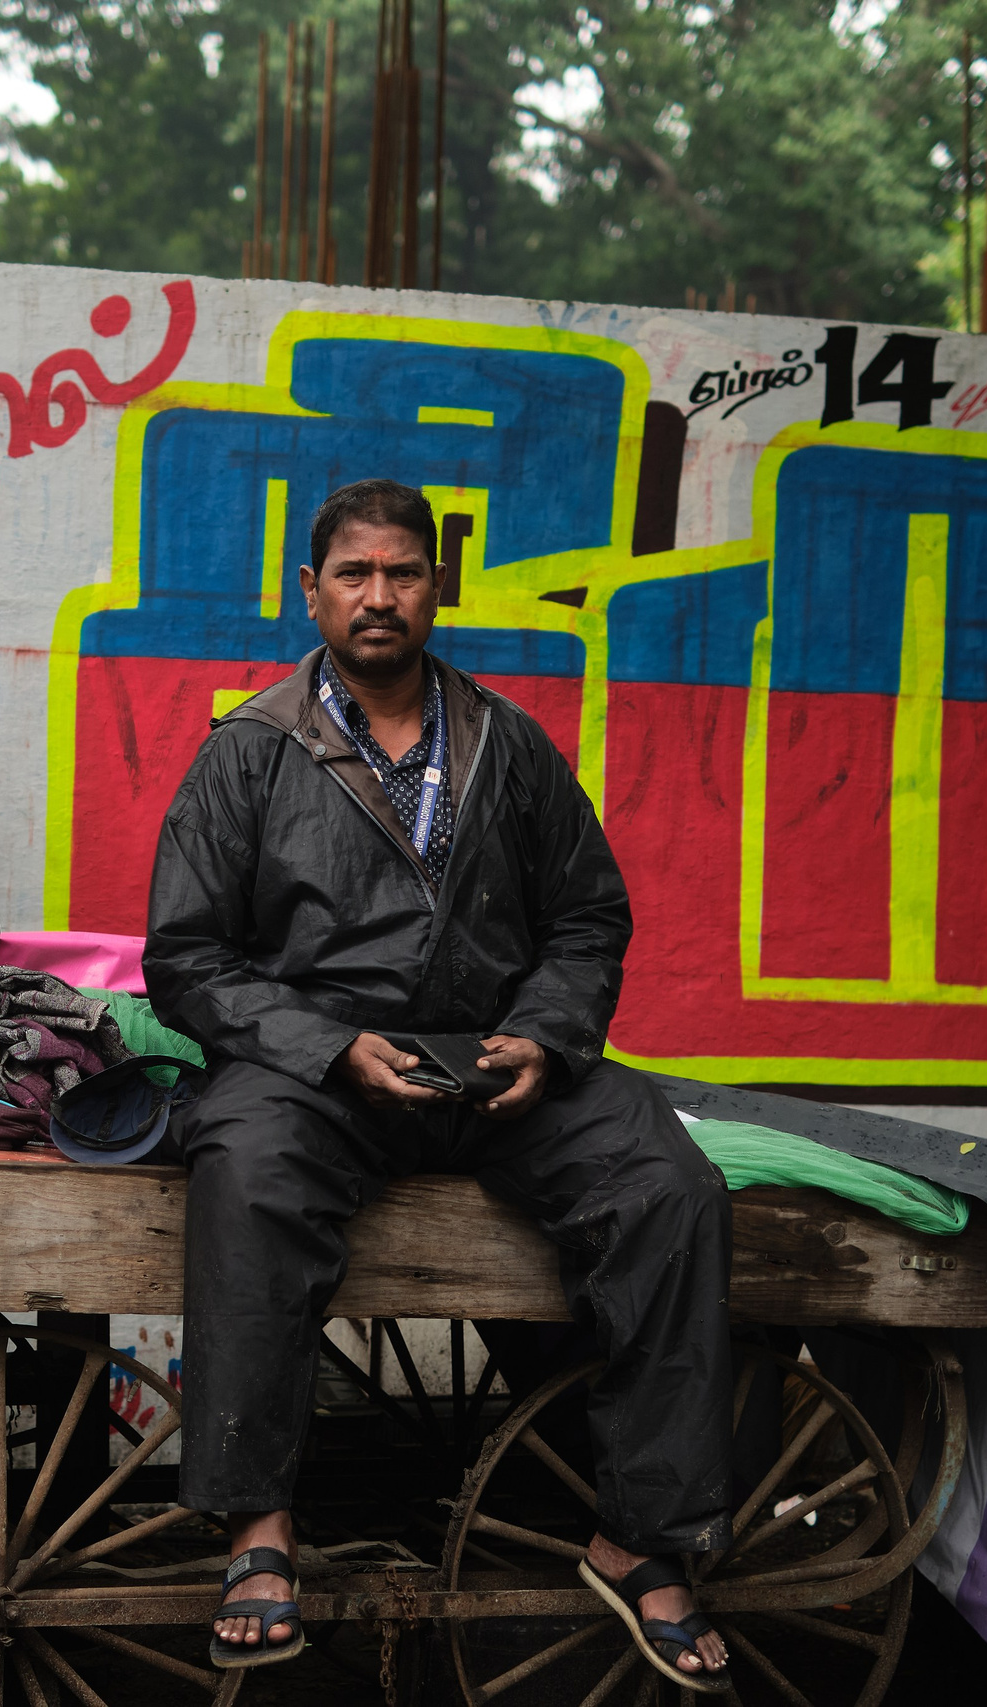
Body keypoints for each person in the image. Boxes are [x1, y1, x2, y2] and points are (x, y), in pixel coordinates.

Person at [143, 479, 737, 1686]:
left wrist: (545, 1036)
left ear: (437, 588)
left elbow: (586, 920)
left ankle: (640, 1536)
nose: (378, 597)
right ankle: (258, 1527)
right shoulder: (249, 753)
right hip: (319, 1065)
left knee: (670, 1189)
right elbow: (187, 959)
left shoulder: (509, 745)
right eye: (352, 576)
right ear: (309, 594)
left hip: (494, 1059)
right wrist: (323, 1048)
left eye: (400, 574)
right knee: (245, 1166)